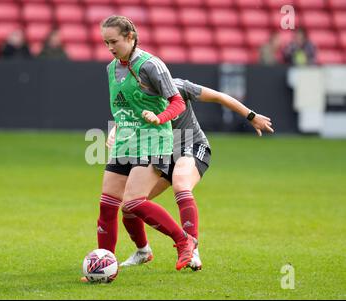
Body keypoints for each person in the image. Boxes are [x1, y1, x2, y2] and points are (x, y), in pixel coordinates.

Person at [105, 78, 274, 271]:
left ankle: (192, 250)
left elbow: (219, 97)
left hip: (191, 146)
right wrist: (115, 131)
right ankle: (143, 251)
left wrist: (251, 116)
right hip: (162, 152)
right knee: (130, 205)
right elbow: (127, 117)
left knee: (181, 183)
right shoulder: (137, 95)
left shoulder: (179, 87)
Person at [86, 15, 198, 279]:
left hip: (153, 139)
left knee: (134, 202)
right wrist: (115, 129)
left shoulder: (151, 65)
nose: (110, 47)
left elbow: (177, 102)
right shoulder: (111, 68)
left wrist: (159, 117)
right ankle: (105, 268)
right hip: (126, 141)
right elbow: (124, 107)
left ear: (130, 37)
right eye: (105, 42)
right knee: (107, 205)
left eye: (114, 41)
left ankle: (184, 241)